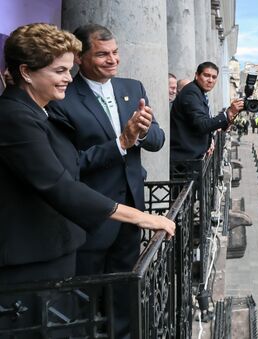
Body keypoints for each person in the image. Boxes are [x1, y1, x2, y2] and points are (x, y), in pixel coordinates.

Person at [0, 22, 175, 333]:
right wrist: (141, 217)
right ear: (26, 72)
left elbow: (71, 167)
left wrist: (140, 134)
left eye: (69, 69)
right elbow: (59, 184)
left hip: (54, 249)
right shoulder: (15, 116)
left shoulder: (38, 111)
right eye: (60, 70)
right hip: (31, 261)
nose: (69, 77)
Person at [47, 23, 167, 337]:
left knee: (124, 289)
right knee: (83, 296)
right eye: (102, 54)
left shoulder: (133, 87)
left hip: (131, 208)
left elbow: (156, 139)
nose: (112, 59)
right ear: (80, 58)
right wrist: (121, 142)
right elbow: (70, 166)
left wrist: (141, 132)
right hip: (90, 216)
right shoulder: (62, 97)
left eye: (115, 52)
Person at [170, 61, 244, 162]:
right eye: (206, 75)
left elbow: (203, 121)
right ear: (196, 75)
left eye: (214, 77)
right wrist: (228, 113)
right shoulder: (191, 93)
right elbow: (201, 124)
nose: (210, 80)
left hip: (193, 158)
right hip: (185, 161)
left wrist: (210, 141)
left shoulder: (199, 92)